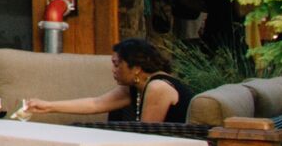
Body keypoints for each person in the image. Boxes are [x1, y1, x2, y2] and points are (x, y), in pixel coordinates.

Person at [20, 34, 185, 127]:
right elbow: (96, 104)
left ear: (136, 68)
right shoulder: (136, 86)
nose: (113, 70)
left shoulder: (158, 87)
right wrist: (48, 106)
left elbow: (146, 133)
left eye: (117, 64)